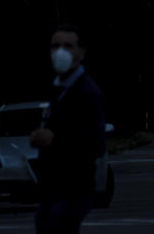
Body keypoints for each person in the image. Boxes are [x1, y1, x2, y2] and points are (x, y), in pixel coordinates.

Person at [31, 26, 106, 234]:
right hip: (53, 187)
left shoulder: (87, 92)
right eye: (55, 46)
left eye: (68, 46)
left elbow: (96, 143)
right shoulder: (59, 87)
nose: (61, 52)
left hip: (74, 187)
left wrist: (54, 140)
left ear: (81, 53)